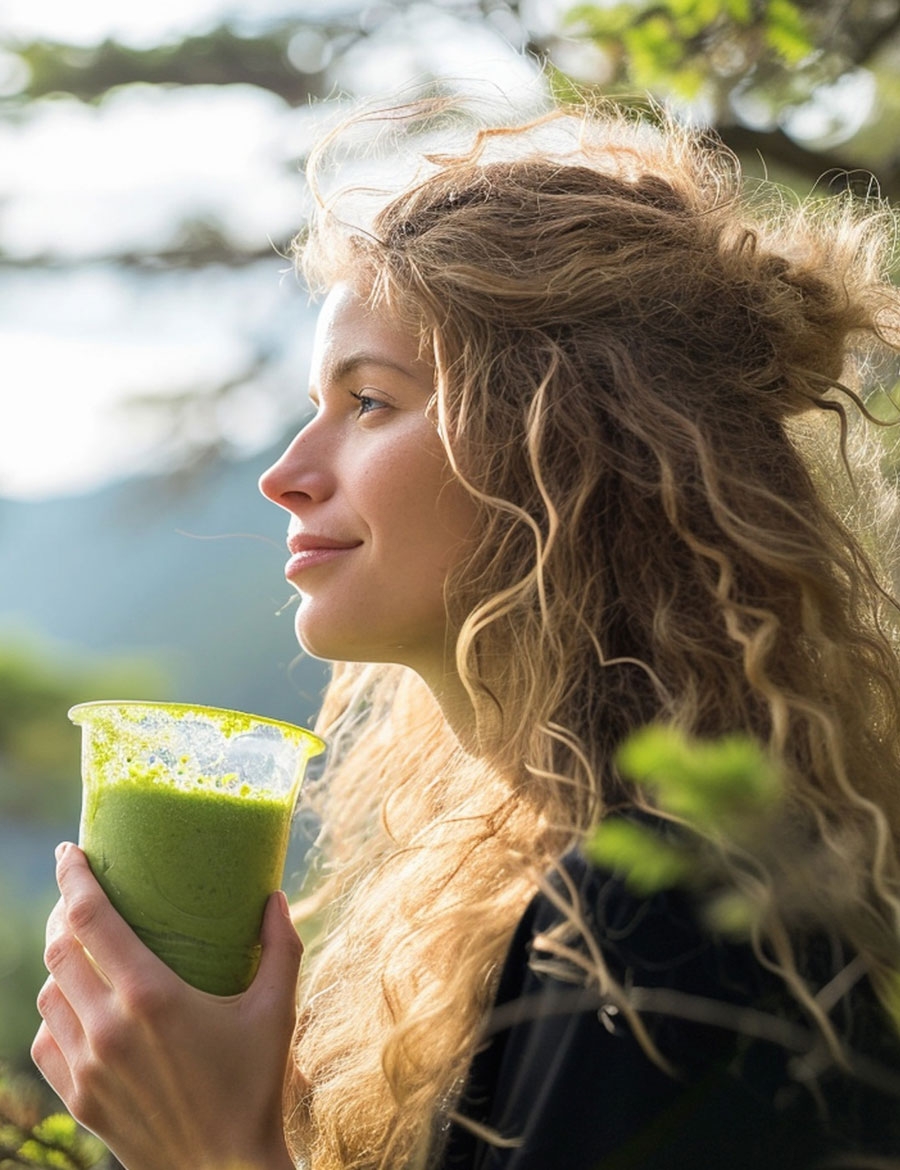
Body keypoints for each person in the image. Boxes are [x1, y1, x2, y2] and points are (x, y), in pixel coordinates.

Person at [32, 94, 900, 1170]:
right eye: (317, 403)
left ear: (563, 448)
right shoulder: (533, 903)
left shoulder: (656, 932)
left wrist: (214, 1150)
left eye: (371, 404)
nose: (286, 475)